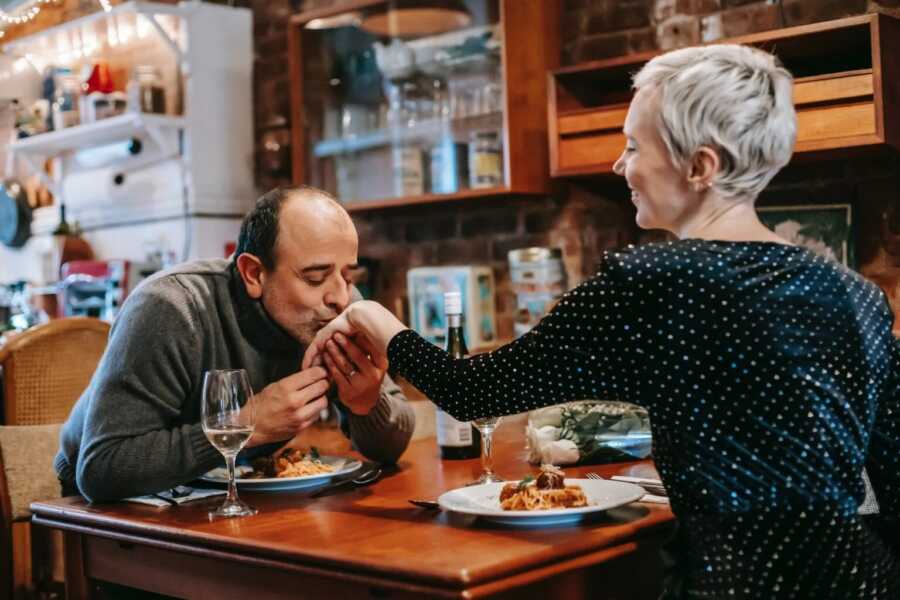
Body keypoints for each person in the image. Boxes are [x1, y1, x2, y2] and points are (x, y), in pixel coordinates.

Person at [304, 45, 900, 598]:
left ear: (701, 164)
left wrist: (380, 322)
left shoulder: (651, 282)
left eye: (635, 147)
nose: (620, 164)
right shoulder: (861, 298)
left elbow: (475, 392)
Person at [56, 186, 415, 502]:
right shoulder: (171, 308)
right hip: (116, 512)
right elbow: (102, 469)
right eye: (315, 277)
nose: (340, 296)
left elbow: (391, 447)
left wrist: (368, 405)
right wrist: (247, 426)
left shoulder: (336, 307)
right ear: (254, 274)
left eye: (348, 274)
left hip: (232, 498)